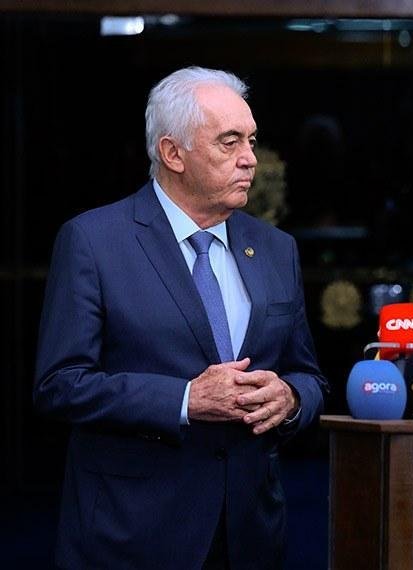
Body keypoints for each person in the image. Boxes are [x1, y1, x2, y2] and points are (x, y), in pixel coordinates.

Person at [33, 67, 327, 569]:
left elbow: (309, 375)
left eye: (251, 140)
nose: (250, 159)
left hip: (251, 534)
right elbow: (59, 385)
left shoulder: (276, 248)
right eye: (229, 142)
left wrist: (292, 399)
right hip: (133, 535)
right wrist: (186, 399)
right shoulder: (94, 242)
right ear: (173, 153)